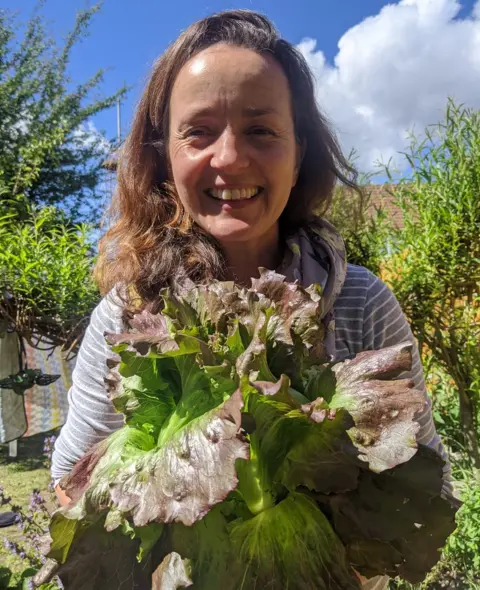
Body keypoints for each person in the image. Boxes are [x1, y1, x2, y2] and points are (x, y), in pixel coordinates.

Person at [51, 10, 450, 589]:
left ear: (299, 151)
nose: (230, 158)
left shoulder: (360, 300)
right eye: (199, 130)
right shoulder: (125, 314)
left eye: (261, 130)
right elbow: (74, 486)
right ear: (165, 155)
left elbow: (421, 484)